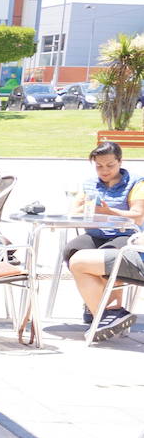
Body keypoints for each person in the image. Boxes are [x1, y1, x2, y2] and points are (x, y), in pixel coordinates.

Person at [65, 141, 144, 340]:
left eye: (110, 165)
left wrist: (108, 211)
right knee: (72, 250)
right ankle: (103, 310)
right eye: (99, 166)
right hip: (96, 233)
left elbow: (137, 216)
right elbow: (73, 212)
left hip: (125, 235)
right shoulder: (90, 184)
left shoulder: (136, 182)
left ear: (120, 162)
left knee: (104, 256)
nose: (104, 170)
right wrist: (83, 207)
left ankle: (106, 310)